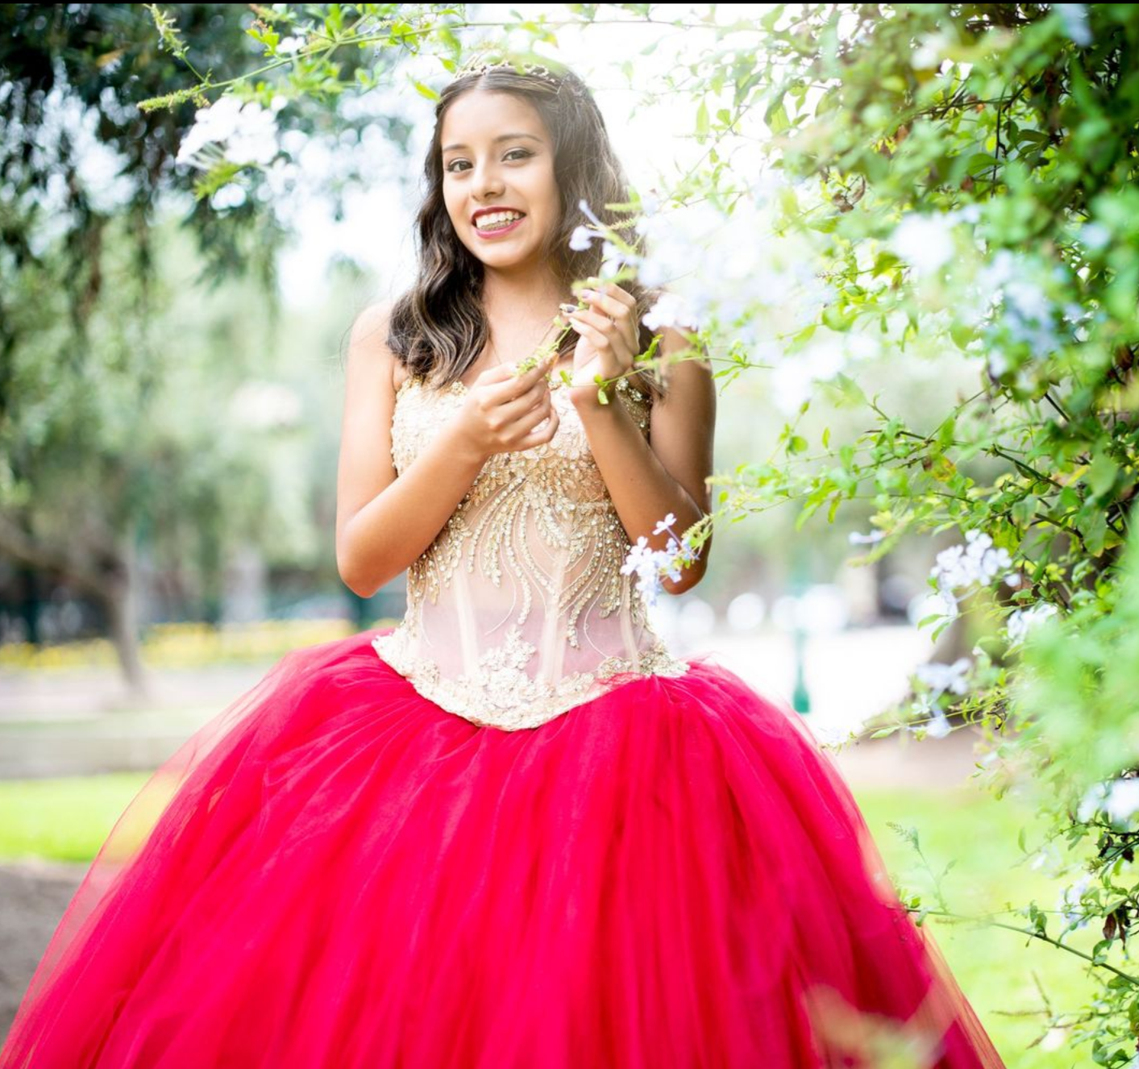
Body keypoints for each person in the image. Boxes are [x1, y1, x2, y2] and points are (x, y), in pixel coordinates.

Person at [0, 60, 1007, 1069]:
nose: (483, 184)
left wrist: (599, 402)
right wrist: (462, 443)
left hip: (626, 749)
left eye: (513, 155)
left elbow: (680, 557)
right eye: (458, 163)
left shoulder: (662, 336)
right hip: (410, 734)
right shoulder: (398, 337)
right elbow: (361, 557)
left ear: (573, 166)